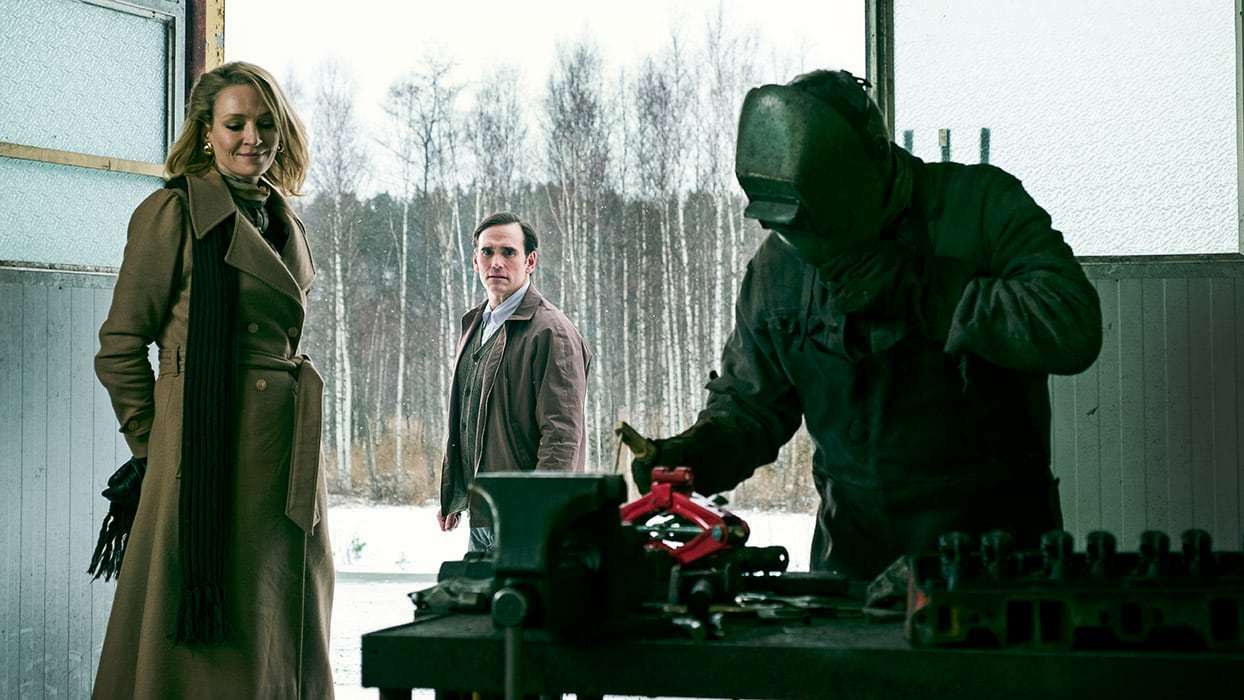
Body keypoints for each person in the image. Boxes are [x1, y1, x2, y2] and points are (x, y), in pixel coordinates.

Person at [631, 70, 1103, 580]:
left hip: (995, 566)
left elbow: (1072, 326)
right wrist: (698, 454)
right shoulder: (778, 267)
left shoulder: (980, 206)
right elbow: (750, 407)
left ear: (874, 162)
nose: (808, 243)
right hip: (852, 570)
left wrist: (927, 292)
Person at [91, 62, 333, 698]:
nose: (253, 137)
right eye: (235, 124)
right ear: (206, 131)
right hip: (202, 458)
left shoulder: (283, 217)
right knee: (209, 641)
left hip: (281, 454)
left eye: (265, 123)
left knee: (278, 618)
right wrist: (157, 445)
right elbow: (120, 346)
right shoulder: (172, 212)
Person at [438, 212, 593, 552]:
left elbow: (562, 435)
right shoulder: (476, 325)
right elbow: (468, 418)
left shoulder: (551, 332)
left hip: (525, 518)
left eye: (508, 252)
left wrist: (539, 511)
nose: (496, 262)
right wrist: (455, 492)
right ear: (475, 261)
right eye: (487, 252)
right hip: (484, 513)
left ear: (530, 261)